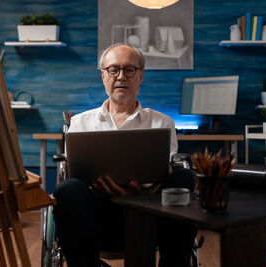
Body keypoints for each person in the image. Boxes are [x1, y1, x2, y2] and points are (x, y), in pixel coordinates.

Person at [53, 43, 196, 267]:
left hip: (150, 210)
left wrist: (140, 189)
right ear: (103, 76)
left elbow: (165, 171)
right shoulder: (80, 122)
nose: (121, 76)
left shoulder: (161, 122)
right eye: (113, 70)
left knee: (184, 177)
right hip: (97, 213)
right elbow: (73, 174)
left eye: (129, 70)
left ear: (141, 76)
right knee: (67, 189)